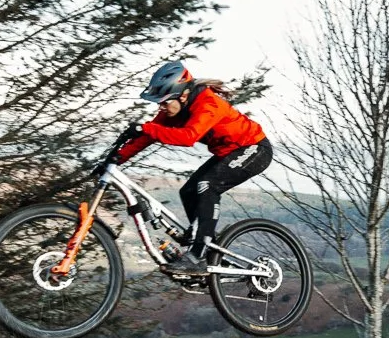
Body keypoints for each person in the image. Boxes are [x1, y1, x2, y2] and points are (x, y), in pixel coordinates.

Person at [107, 61, 272, 273]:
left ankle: (198, 255)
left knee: (206, 185)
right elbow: (149, 134)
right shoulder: (172, 108)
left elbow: (188, 137)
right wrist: (115, 159)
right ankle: (203, 244)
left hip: (254, 149)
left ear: (182, 95)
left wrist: (144, 128)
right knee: (188, 191)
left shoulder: (208, 103)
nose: (161, 108)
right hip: (228, 153)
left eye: (164, 102)